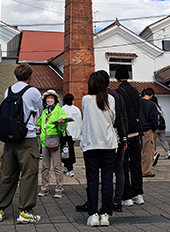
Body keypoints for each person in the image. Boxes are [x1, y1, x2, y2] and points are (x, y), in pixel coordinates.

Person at [0, 64, 43, 224]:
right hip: (27, 137)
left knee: (7, 174)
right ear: (30, 76)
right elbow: (39, 111)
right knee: (29, 174)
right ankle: (25, 211)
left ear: (15, 75)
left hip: (10, 138)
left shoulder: (8, 90)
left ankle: (0, 209)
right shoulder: (33, 91)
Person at [81, 71, 117, 227]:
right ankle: (105, 215)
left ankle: (93, 215)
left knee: (92, 180)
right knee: (108, 180)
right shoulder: (111, 99)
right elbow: (113, 119)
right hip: (108, 144)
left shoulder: (86, 99)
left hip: (91, 145)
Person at [115, 65, 144, 207]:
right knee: (136, 163)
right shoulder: (135, 91)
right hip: (136, 131)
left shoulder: (117, 93)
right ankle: (138, 194)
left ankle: (126, 196)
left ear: (116, 77)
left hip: (125, 132)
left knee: (123, 164)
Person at [36, 89, 67, 198]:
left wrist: (61, 123)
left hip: (55, 141)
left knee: (57, 166)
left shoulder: (60, 111)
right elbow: (38, 123)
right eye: (47, 98)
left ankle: (59, 189)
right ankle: (44, 188)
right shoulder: (44, 112)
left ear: (55, 100)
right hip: (44, 142)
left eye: (51, 98)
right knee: (45, 166)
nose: (49, 100)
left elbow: (63, 127)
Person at [139, 88, 159, 177]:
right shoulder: (151, 104)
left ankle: (137, 170)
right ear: (152, 95)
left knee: (138, 151)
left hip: (137, 129)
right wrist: (154, 129)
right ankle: (145, 171)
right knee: (147, 152)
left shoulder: (137, 102)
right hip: (147, 129)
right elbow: (154, 118)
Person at [61, 93, 82, 177]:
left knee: (66, 150)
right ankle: (67, 166)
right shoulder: (76, 109)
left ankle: (70, 168)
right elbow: (80, 121)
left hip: (66, 133)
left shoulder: (62, 109)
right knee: (69, 150)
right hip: (75, 133)